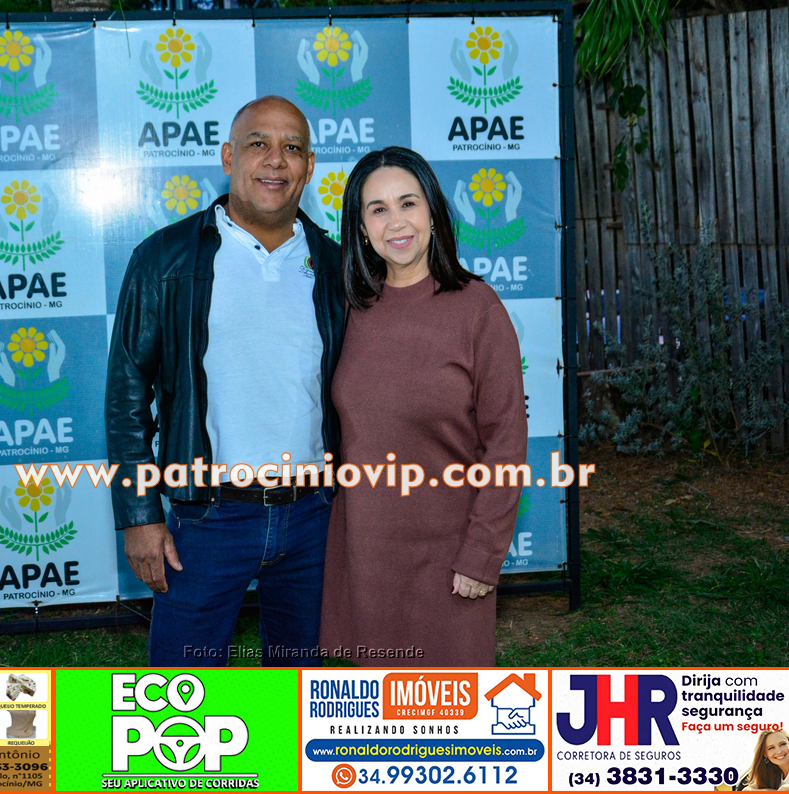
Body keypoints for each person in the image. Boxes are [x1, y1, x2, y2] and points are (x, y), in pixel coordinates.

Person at [105, 96, 344, 666]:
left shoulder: (339, 266)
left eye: (292, 148)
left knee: (298, 692)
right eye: (258, 143)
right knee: (179, 693)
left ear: (310, 166)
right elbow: (127, 398)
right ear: (228, 157)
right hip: (207, 518)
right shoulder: (164, 258)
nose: (275, 160)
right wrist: (140, 516)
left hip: (314, 516)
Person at [319, 146, 527, 667]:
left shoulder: (478, 310)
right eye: (378, 209)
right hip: (362, 554)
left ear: (433, 212)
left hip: (449, 559)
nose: (396, 222)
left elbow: (505, 445)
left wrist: (482, 555)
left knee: (447, 712)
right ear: (361, 228)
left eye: (408, 203)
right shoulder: (348, 310)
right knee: (371, 710)